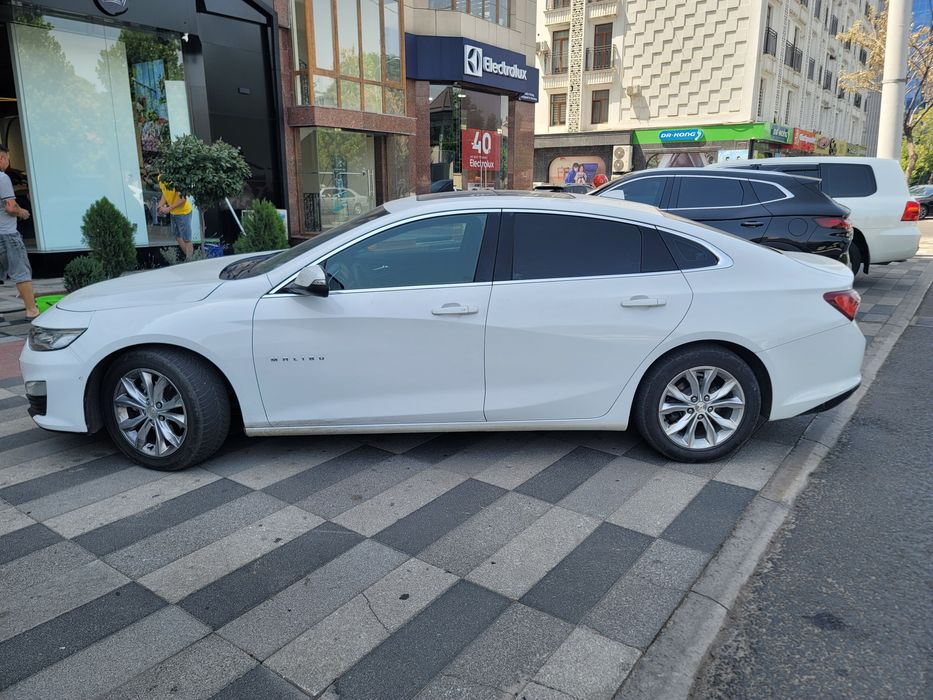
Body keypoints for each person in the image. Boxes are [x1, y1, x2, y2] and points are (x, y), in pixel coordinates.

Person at [0, 145, 38, 319]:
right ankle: (31, 309)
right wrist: (22, 212)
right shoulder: (2, 178)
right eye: (8, 158)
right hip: (7, 234)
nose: (8, 162)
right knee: (21, 270)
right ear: (2, 158)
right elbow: (10, 208)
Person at [157, 175, 194, 258]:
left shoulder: (176, 176)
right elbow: (165, 192)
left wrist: (168, 209)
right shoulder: (160, 177)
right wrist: (160, 205)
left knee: (187, 239)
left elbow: (183, 198)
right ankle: (190, 259)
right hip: (174, 213)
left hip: (184, 212)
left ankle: (191, 261)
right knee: (177, 236)